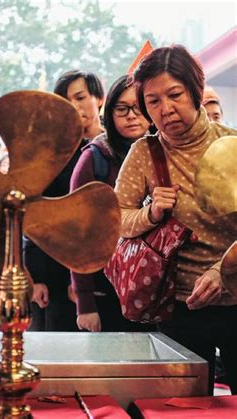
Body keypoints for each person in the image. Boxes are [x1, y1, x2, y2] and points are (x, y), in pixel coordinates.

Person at [116, 44, 237, 393]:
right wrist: (150, 214)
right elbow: (117, 218)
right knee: (183, 406)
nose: (166, 109)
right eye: (153, 101)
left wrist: (222, 269)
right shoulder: (144, 153)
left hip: (236, 296)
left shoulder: (231, 144)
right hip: (178, 306)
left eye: (175, 94)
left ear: (196, 92)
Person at [69, 75, 155, 332]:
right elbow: (78, 233)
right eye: (122, 108)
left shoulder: (165, 153)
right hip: (106, 291)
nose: (132, 116)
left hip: (157, 290)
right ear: (110, 112)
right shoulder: (95, 157)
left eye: (139, 108)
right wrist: (85, 304)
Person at [24, 70, 104, 331]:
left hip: (107, 276)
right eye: (66, 101)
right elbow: (36, 214)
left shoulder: (115, 146)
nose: (74, 107)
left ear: (99, 99)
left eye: (80, 97)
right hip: (56, 277)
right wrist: (35, 277)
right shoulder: (53, 152)